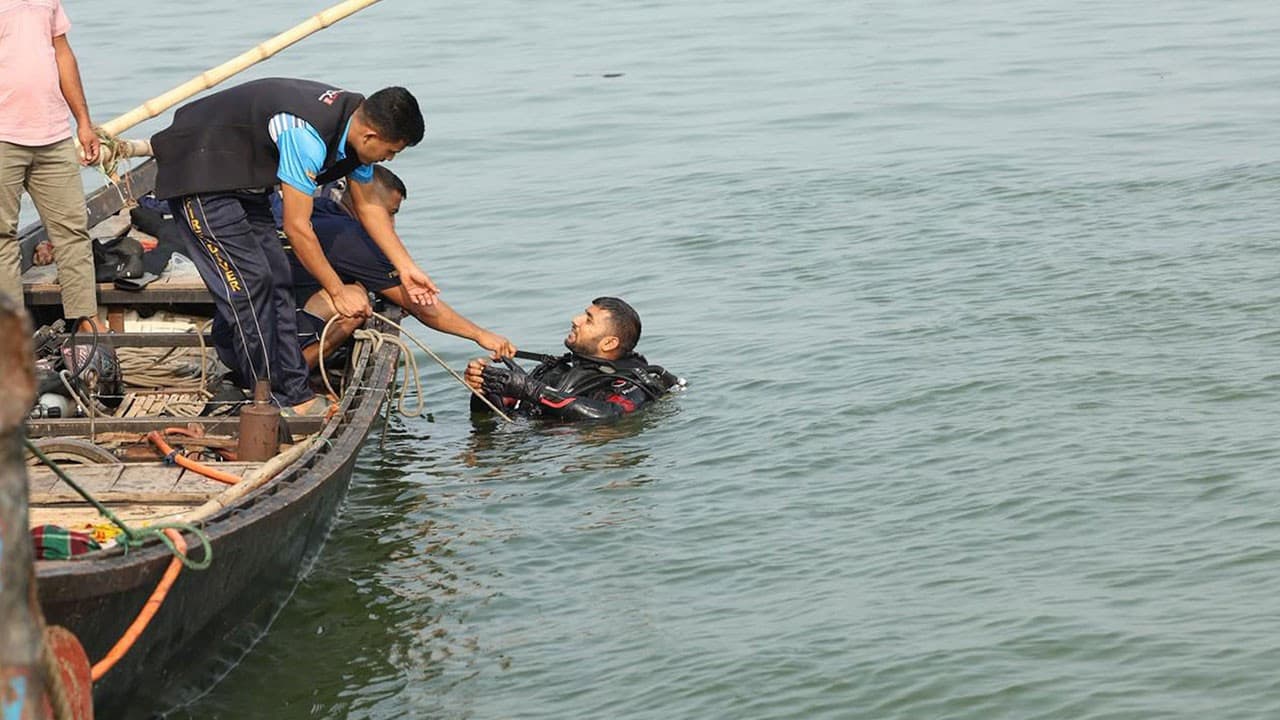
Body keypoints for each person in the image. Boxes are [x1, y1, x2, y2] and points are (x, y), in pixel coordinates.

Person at [150, 78, 436, 416]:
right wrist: (335, 289)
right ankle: (266, 400)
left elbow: (369, 207)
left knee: (278, 278)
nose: (390, 158)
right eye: (392, 151)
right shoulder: (307, 138)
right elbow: (298, 228)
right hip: (199, 170)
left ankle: (296, 393)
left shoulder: (355, 126)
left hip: (245, 180)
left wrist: (406, 267)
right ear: (371, 136)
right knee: (251, 284)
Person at [272, 166, 515, 367]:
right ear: (365, 203)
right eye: (389, 213)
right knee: (354, 304)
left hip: (259, 312)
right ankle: (292, 377)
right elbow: (422, 307)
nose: (391, 224)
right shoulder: (350, 237)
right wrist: (480, 335)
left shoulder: (322, 210)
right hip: (276, 332)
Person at [0, 0, 105, 334]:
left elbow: (62, 53)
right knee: (3, 237)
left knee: (72, 231)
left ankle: (85, 321)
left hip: (54, 134)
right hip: (4, 136)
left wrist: (83, 122)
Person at [465, 297, 682, 422]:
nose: (576, 320)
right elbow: (493, 415)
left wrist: (532, 390)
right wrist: (484, 387)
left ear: (609, 343)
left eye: (588, 320)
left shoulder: (630, 383)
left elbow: (607, 415)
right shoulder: (556, 370)